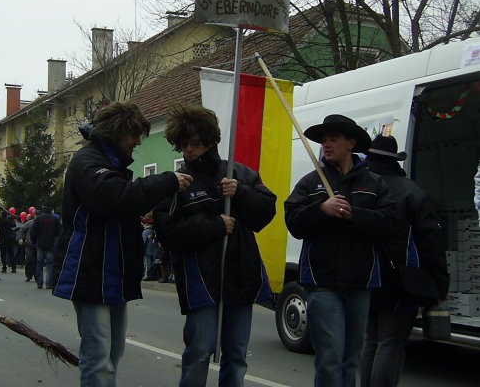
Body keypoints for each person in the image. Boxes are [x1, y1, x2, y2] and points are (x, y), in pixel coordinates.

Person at [53, 102, 192, 387]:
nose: (139, 141)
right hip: (91, 272)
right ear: (117, 133)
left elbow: (126, 202)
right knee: (98, 357)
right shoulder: (87, 162)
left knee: (113, 353)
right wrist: (167, 181)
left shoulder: (108, 164)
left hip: (112, 274)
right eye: (134, 135)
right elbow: (115, 197)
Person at [153, 105, 277, 387]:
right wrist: (215, 226)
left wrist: (241, 193)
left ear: (210, 141)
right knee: (199, 351)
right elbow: (168, 232)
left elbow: (266, 214)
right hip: (201, 282)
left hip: (241, 277)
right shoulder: (179, 183)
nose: (188, 151)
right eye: (183, 145)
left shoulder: (240, 175)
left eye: (194, 144)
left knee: (236, 356)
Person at [284, 115, 396, 387]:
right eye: (324, 140)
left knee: (350, 359)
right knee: (330, 358)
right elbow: (293, 222)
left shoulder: (374, 183)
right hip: (322, 284)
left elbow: (391, 224)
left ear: (351, 143)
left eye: (333, 139)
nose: (326, 145)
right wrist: (321, 209)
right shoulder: (311, 183)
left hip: (361, 282)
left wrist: (353, 215)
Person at [360, 135, 449, 387]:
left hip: (364, 274)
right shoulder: (412, 191)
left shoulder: (363, 188)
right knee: (391, 342)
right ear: (394, 160)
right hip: (401, 278)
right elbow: (430, 241)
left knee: (371, 340)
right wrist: (439, 282)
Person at [31, 203, 60, 289]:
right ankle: (49, 283)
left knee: (39, 263)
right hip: (51, 244)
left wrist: (34, 242)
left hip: (40, 244)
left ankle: (39, 283)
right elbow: (59, 232)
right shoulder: (55, 219)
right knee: (50, 264)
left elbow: (33, 232)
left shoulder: (38, 219)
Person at [17, 212, 35, 282]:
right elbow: (22, 230)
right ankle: (28, 275)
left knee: (37, 261)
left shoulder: (42, 223)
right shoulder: (29, 223)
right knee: (29, 259)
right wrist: (21, 238)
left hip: (38, 245)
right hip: (29, 244)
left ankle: (38, 278)